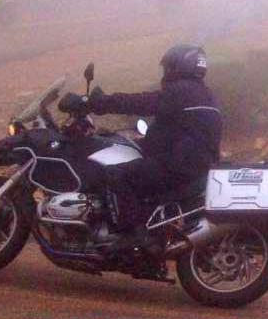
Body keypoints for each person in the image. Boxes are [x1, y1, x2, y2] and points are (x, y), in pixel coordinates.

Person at [59, 45, 222, 257]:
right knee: (137, 175)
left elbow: (141, 102)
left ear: (178, 67)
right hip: (193, 165)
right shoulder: (205, 95)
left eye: (168, 68)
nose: (165, 74)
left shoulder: (181, 91)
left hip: (177, 166)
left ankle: (134, 235)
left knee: (114, 174)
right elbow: (177, 132)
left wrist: (99, 103)